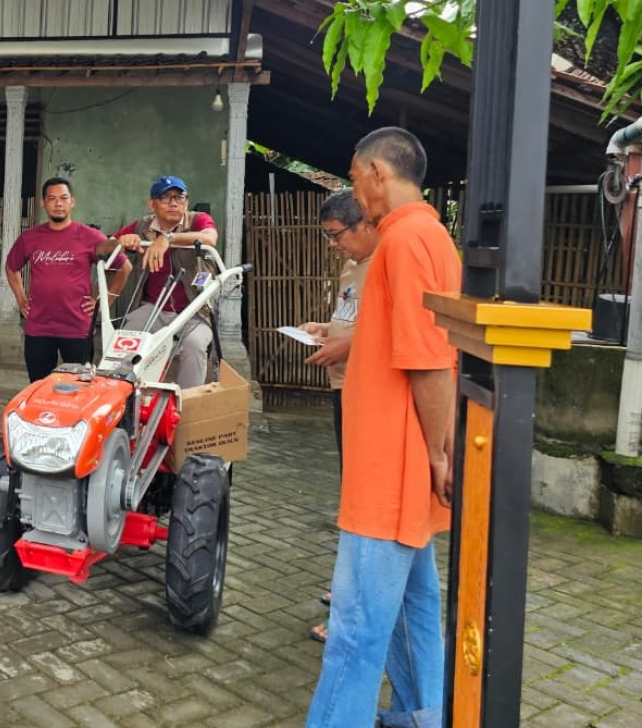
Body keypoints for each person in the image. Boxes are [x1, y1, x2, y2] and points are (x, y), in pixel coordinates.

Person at [306, 127, 460, 728]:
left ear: (375, 172)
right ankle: (425, 713)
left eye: (353, 178)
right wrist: (350, 340)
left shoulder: (403, 241)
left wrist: (438, 455)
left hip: (391, 466)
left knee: (354, 626)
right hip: (402, 462)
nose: (354, 192)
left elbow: (427, 360)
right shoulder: (428, 235)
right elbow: (407, 340)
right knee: (413, 607)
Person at [297, 188, 380, 645]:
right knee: (352, 493)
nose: (334, 245)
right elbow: (353, 318)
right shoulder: (354, 265)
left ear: (364, 224)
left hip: (368, 389)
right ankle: (348, 588)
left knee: (364, 501)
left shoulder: (388, 264)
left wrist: (348, 343)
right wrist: (327, 330)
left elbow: (394, 330)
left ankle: (355, 607)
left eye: (336, 235)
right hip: (343, 385)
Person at [6, 177, 132, 382]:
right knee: (39, 387)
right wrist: (21, 299)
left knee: (79, 389)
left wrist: (103, 303)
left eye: (63, 198)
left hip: (78, 328)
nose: (58, 203)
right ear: (43, 203)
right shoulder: (29, 238)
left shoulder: (91, 236)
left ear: (72, 202)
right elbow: (11, 267)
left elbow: (124, 267)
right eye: (52, 198)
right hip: (39, 328)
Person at [113, 175, 220, 388]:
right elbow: (107, 245)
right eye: (165, 197)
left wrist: (168, 238)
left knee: (194, 345)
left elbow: (210, 238)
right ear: (152, 204)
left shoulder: (198, 219)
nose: (173, 203)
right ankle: (122, 395)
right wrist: (123, 240)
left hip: (194, 310)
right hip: (153, 308)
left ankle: (188, 402)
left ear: (186, 202)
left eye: (179, 198)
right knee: (126, 339)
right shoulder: (142, 226)